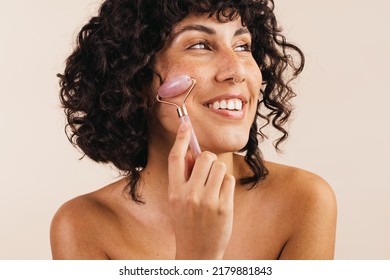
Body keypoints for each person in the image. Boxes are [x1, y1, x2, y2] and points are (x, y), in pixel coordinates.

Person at [51, 0, 337, 259]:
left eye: (242, 46)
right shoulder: (83, 225)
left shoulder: (303, 201)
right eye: (200, 44)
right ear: (135, 79)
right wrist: (197, 256)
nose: (236, 70)